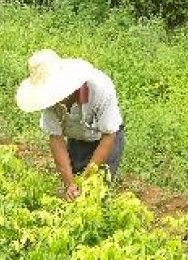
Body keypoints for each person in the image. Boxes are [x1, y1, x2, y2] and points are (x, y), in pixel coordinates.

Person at [15, 49, 125, 200]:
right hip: (77, 138)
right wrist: (70, 184)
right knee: (73, 189)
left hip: (106, 138)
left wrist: (86, 180)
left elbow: (109, 136)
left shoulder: (100, 89)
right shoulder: (49, 101)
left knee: (97, 191)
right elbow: (56, 139)